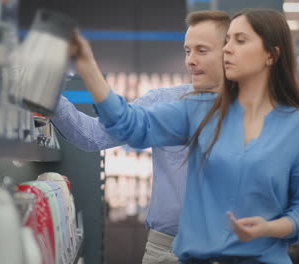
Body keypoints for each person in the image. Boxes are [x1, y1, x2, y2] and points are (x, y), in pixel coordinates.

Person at [71, 8, 299, 264]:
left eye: (239, 41)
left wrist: (271, 228)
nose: (227, 49)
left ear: (271, 54)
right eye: (227, 41)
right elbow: (129, 126)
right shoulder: (194, 109)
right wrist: (88, 68)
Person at [53, 10, 230, 264]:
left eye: (201, 50)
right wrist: (49, 98)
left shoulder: (255, 113)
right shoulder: (164, 102)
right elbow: (93, 136)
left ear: (230, 51)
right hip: (164, 251)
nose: (190, 60)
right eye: (187, 51)